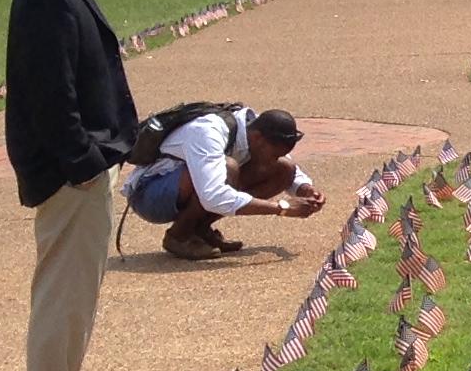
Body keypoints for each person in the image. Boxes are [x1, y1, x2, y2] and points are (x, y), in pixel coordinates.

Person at [5, 0, 139, 371]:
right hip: (71, 172)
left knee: (73, 294)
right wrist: (83, 162)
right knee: (64, 295)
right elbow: (49, 95)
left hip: (78, 166)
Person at [123, 104, 325, 260]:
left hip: (187, 189)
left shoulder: (255, 128)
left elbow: (287, 166)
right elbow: (212, 196)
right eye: (274, 154)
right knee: (228, 167)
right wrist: (282, 208)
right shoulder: (208, 132)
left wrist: (305, 189)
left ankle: (199, 230)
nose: (274, 160)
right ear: (257, 138)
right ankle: (179, 236)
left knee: (284, 170)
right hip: (149, 195)